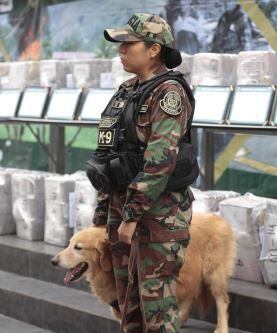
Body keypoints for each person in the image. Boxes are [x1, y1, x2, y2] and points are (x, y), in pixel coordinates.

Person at [85, 13, 199, 333]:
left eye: (128, 44)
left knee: (156, 305)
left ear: (153, 50)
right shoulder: (127, 90)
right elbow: (110, 151)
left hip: (158, 211)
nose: (121, 50)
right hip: (123, 206)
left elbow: (160, 160)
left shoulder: (168, 93)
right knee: (128, 304)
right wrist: (105, 210)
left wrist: (132, 214)